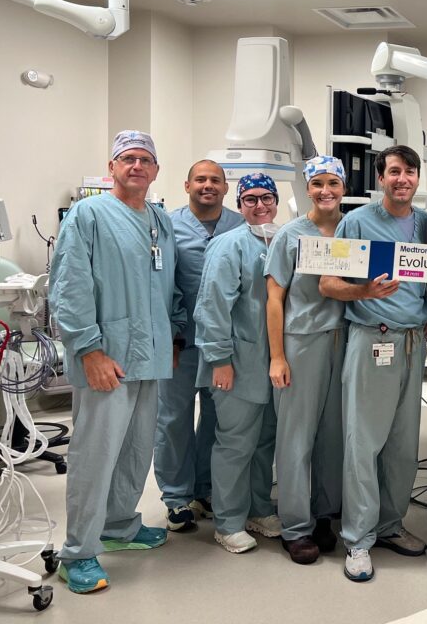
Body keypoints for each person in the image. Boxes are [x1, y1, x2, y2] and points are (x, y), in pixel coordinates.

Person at [50, 130, 184, 593]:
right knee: (95, 455)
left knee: (135, 450)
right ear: (112, 168)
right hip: (105, 358)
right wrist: (89, 349)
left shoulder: (160, 220)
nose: (136, 166)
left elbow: (169, 285)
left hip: (149, 357)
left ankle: (119, 525)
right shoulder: (89, 215)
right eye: (127, 159)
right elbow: (69, 286)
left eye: (145, 159)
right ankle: (78, 553)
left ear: (156, 170)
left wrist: (176, 334)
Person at [318, 145, 427, 582]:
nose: (403, 179)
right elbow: (329, 284)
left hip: (412, 343)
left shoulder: (422, 224)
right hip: (373, 341)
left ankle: (389, 524)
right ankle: (359, 539)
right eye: (394, 172)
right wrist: (363, 293)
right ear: (381, 178)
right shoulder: (358, 222)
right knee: (363, 443)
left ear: (417, 179)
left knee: (404, 446)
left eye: (410, 172)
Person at [194, 173, 284, 554]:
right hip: (237, 362)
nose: (260, 205)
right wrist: (219, 359)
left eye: (267, 198)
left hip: (273, 364)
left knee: (265, 440)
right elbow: (213, 306)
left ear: (277, 201)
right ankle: (228, 521)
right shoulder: (229, 245)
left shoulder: (284, 240)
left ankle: (258, 509)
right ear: (239, 204)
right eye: (250, 199)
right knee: (235, 442)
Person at [265, 155, 347, 565]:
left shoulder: (353, 230)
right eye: (318, 184)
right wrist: (277, 356)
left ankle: (323, 516)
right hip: (302, 342)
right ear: (308, 188)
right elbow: (274, 298)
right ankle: (295, 526)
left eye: (333, 182)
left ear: (343, 187)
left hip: (343, 341)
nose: (326, 191)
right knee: (296, 437)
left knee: (333, 437)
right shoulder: (290, 236)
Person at [154, 160, 243, 532]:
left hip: (223, 343)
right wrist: (172, 335)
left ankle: (205, 488)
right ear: (186, 184)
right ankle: (176, 496)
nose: (208, 185)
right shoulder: (167, 226)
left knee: (215, 418)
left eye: (215, 180)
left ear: (225, 188)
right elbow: (161, 284)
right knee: (173, 419)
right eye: (201, 179)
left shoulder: (240, 225)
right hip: (181, 341)